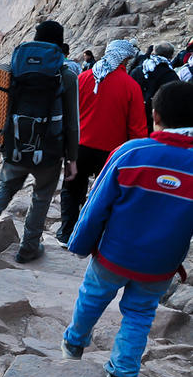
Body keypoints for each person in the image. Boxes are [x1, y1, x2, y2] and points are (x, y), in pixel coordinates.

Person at [61, 81, 193, 377]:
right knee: (140, 315)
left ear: (154, 114)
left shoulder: (131, 152)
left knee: (92, 296)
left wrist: (79, 243)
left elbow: (96, 205)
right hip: (159, 266)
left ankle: (74, 344)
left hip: (113, 255)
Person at [0, 20, 80, 263]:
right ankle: (29, 247)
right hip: (50, 151)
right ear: (60, 46)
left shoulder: (16, 67)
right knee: (41, 196)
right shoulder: (66, 75)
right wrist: (72, 158)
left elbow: (1, 106)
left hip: (16, 144)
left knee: (6, 187)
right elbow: (72, 122)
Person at [57, 39, 147, 245]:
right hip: (112, 152)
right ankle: (96, 236)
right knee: (104, 195)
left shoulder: (84, 77)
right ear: (125, 58)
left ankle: (66, 233)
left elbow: (68, 113)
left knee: (71, 189)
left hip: (79, 146)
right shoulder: (131, 86)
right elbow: (137, 127)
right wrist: (137, 154)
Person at [130, 42, 178, 133]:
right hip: (159, 120)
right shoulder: (170, 74)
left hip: (136, 116)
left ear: (153, 52)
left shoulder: (138, 70)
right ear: (171, 56)